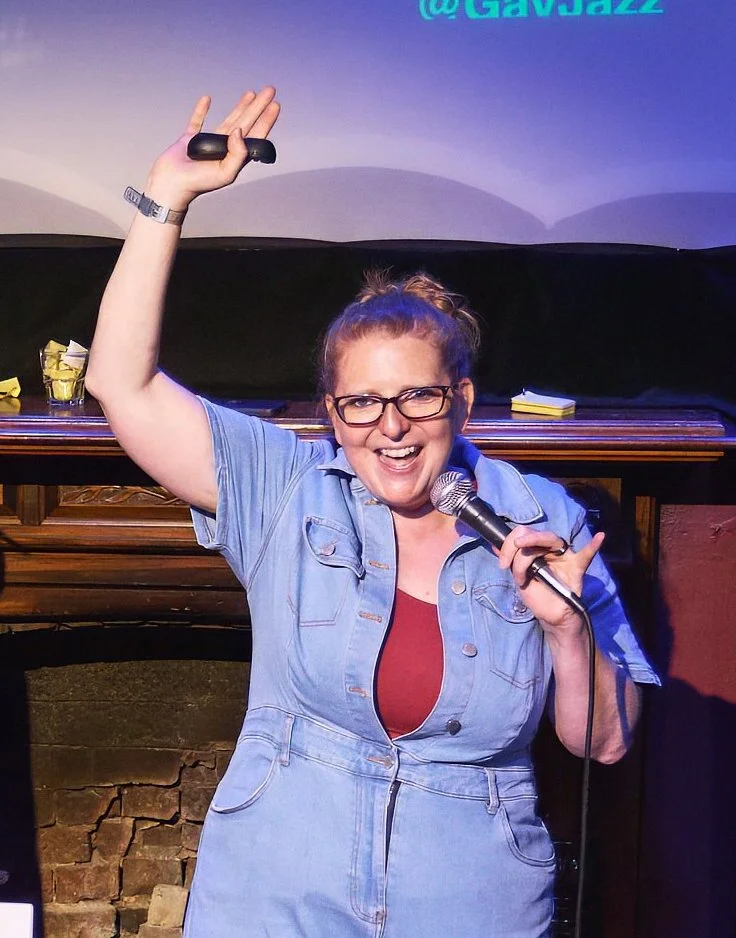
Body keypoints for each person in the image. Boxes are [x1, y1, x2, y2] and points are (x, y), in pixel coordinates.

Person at [85, 89, 661, 937]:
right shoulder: (288, 489)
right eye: (359, 405)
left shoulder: (543, 519)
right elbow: (119, 384)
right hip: (275, 893)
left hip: (467, 902)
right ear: (331, 413)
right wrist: (167, 197)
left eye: (416, 397)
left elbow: (602, 743)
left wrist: (566, 630)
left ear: (461, 399)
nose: (389, 428)